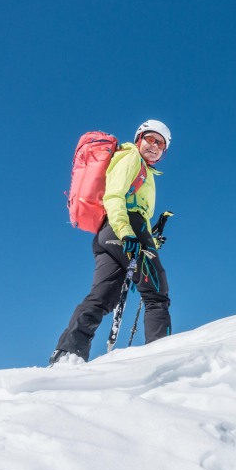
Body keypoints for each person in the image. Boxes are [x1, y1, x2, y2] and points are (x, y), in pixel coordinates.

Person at [49, 120, 173, 366]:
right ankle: (162, 357)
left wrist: (150, 239)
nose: (155, 146)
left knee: (103, 296)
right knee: (157, 294)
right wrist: (128, 233)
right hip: (124, 228)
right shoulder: (131, 159)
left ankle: (68, 353)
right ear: (139, 139)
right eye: (150, 139)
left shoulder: (142, 169)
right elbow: (114, 196)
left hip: (108, 234)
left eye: (161, 144)